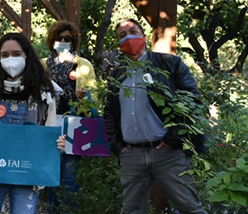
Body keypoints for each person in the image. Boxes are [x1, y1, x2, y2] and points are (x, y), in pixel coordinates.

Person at [64, 18, 207, 214]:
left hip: (168, 153)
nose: (128, 38)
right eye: (122, 35)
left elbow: (192, 102)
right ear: (119, 44)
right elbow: (110, 113)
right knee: (132, 210)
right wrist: (119, 147)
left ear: (144, 37)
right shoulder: (117, 74)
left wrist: (173, 138)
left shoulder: (169, 64)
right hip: (131, 155)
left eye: (133, 32)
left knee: (190, 208)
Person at [0, 33, 63, 214]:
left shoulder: (43, 93)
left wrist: (57, 144)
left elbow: (50, 128)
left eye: (16, 54)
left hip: (28, 171)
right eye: (5, 55)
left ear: (27, 55)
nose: (11, 59)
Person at [41, 22, 97, 213]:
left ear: (73, 41)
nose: (63, 41)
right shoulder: (42, 65)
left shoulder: (83, 65)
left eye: (68, 38)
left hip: (75, 124)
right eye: (59, 38)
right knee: (52, 174)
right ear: (52, 40)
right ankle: (52, 209)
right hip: (50, 124)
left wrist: (83, 97)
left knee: (71, 177)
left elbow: (94, 98)